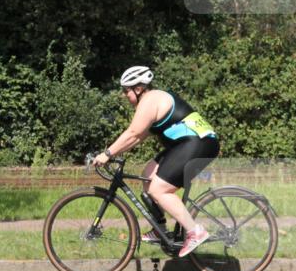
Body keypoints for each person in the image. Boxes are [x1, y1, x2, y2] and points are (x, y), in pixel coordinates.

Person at [92, 65, 220, 257]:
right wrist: (113, 153)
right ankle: (160, 230)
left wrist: (107, 154)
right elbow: (137, 137)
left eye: (126, 91)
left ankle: (195, 231)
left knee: (158, 189)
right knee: (148, 176)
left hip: (198, 144)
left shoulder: (150, 100)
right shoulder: (149, 102)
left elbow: (133, 133)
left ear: (138, 88)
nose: (124, 95)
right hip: (187, 144)